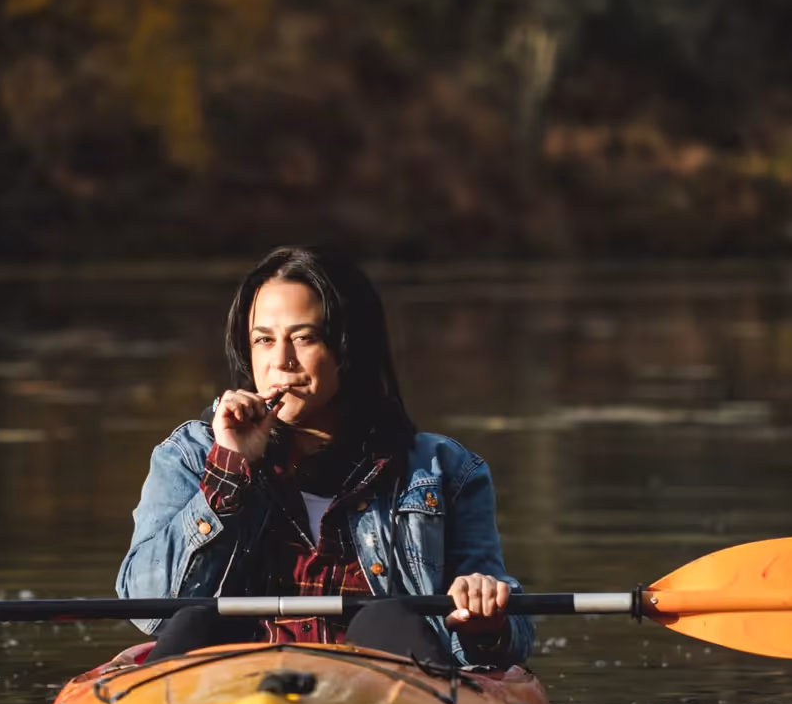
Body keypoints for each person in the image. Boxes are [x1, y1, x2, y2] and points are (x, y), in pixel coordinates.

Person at [117, 245, 534, 669]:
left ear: (349, 347)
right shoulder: (189, 456)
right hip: (230, 693)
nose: (281, 361)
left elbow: (511, 641)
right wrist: (228, 471)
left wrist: (485, 619)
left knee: (385, 617)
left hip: (384, 695)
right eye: (264, 340)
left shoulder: (445, 470)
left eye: (304, 338)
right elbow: (150, 610)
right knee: (198, 622)